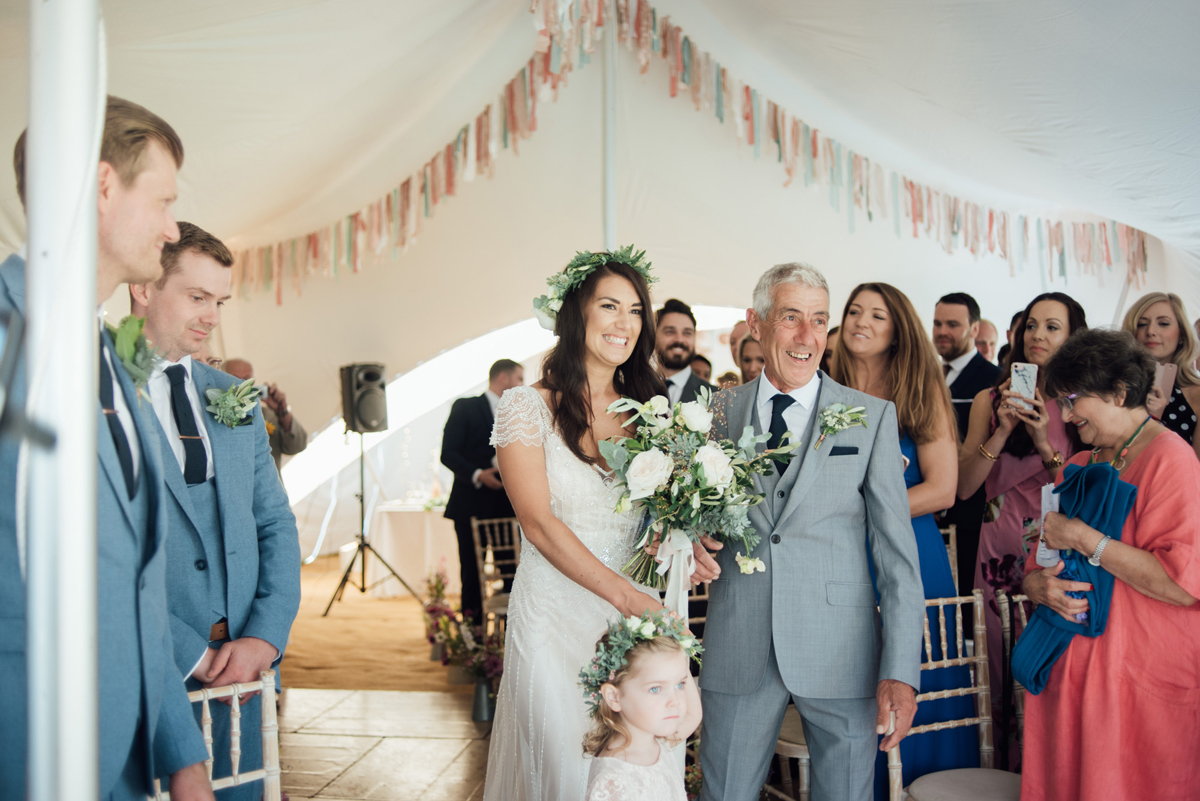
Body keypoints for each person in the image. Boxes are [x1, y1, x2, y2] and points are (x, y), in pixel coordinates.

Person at [1, 97, 213, 801]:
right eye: (162, 200)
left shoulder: (113, 363)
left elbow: (137, 577)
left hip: (121, 763)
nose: (172, 226)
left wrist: (183, 759)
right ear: (100, 186)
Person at [484, 248, 713, 801]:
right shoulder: (525, 407)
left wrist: (686, 539)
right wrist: (625, 596)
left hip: (635, 625)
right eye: (609, 306)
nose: (625, 323)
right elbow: (538, 524)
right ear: (575, 314)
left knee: (635, 766)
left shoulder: (652, 406)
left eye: (636, 311)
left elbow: (659, 509)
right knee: (562, 765)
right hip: (554, 616)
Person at [698, 263, 923, 801]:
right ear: (756, 322)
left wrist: (901, 671)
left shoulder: (870, 416)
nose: (807, 337)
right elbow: (687, 520)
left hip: (842, 650)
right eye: (791, 318)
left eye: (819, 320)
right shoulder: (714, 413)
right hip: (738, 641)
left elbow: (897, 557)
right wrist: (690, 542)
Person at [129, 222, 301, 801]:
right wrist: (192, 653)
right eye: (197, 297)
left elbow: (273, 522)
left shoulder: (234, 399)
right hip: (146, 671)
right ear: (143, 289)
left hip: (244, 679)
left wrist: (263, 638)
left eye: (220, 301)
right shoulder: (102, 395)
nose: (212, 317)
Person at [1021, 329, 1200, 801]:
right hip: (1070, 670)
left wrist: (1085, 538)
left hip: (1138, 675)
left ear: (1120, 392)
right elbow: (1038, 556)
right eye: (1061, 401)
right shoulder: (1079, 461)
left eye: (1074, 399)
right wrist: (1036, 585)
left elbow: (1183, 584)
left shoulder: (1171, 460)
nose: (1067, 414)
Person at [833, 283, 978, 796]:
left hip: (911, 553)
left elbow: (943, 489)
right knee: (852, 683)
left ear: (898, 330)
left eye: (877, 314)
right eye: (854, 311)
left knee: (915, 674)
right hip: (843, 560)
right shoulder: (825, 391)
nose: (861, 321)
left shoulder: (920, 389)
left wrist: (865, 510)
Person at [957, 292, 1086, 725]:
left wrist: (1045, 442)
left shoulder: (1081, 406)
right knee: (993, 656)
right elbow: (964, 487)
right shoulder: (988, 400)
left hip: (1056, 545)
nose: (1038, 335)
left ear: (1072, 337)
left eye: (1052, 326)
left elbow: (1084, 492)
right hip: (997, 542)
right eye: (1031, 324)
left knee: (1049, 659)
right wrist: (1003, 430)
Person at [582, 614, 703, 801]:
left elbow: (693, 715)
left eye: (679, 685)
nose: (675, 701)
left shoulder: (658, 743)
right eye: (656, 689)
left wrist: (678, 646)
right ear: (614, 697)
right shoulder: (612, 780)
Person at [440, 359, 524, 623]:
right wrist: (478, 475)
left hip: (506, 507)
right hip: (470, 505)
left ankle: (509, 635)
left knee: (512, 571)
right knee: (471, 573)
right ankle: (473, 635)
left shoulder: (520, 412)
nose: (522, 385)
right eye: (519, 379)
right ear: (503, 379)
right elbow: (448, 453)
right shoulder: (466, 407)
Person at [934, 292, 1002, 596]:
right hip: (930, 510)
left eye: (952, 324)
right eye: (937, 323)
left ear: (975, 329)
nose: (942, 332)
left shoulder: (993, 381)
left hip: (971, 512)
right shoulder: (927, 375)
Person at [1121, 292, 1200, 459]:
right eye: (1142, 324)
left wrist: (1153, 424)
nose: (1151, 331)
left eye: (1163, 323)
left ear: (1182, 334)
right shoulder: (1115, 388)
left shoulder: (1196, 394)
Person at [222, 358, 307, 472]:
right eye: (235, 379)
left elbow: (297, 446)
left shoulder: (266, 415)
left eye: (247, 379)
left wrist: (282, 411)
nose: (242, 384)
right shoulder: (215, 416)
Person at [655, 298, 715, 405]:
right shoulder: (632, 389)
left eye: (687, 333)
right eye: (670, 332)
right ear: (653, 336)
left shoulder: (716, 396)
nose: (679, 339)